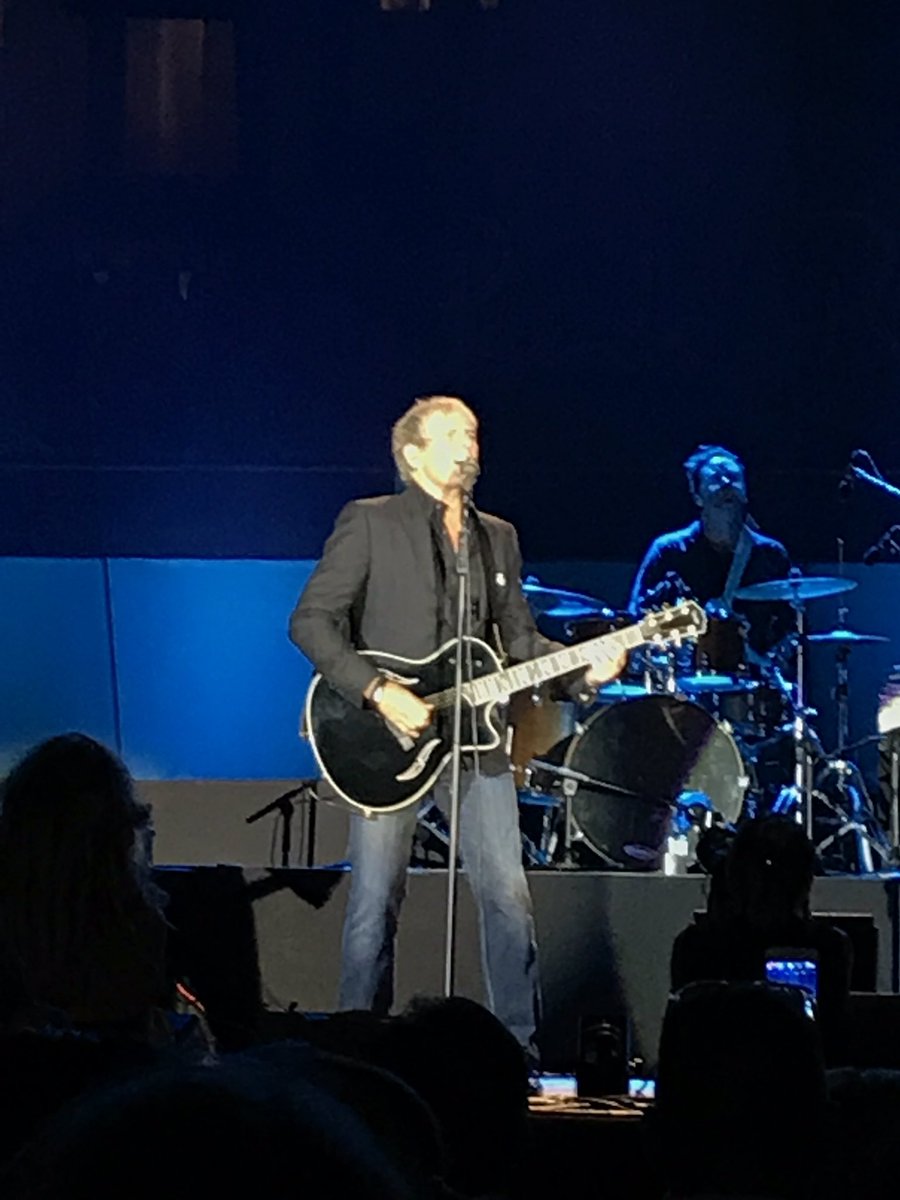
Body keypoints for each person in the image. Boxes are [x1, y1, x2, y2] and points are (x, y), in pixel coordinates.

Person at [289, 394, 623, 1066]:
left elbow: (520, 642)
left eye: (472, 434)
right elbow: (310, 622)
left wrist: (583, 672)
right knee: (375, 899)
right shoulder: (370, 522)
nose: (468, 447)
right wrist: (379, 691)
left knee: (507, 894)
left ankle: (519, 1054)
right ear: (412, 455)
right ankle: (358, 1051)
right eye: (450, 436)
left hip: (476, 742)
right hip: (384, 742)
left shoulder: (496, 536)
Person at [629, 444, 793, 668]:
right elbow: (638, 618)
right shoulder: (669, 551)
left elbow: (788, 627)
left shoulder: (770, 555)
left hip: (753, 676)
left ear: (745, 492)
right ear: (697, 496)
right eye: (715, 478)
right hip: (687, 675)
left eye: (733, 477)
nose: (726, 483)